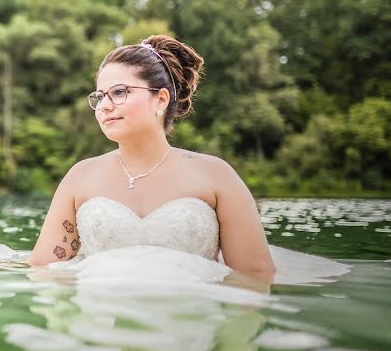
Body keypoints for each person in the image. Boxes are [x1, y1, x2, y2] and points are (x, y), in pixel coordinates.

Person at [27, 35, 276, 284]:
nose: (104, 105)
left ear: (161, 99)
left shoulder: (216, 176)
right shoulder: (80, 177)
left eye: (119, 92)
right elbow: (45, 272)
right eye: (100, 96)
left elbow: (254, 277)